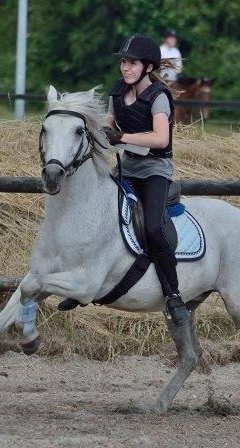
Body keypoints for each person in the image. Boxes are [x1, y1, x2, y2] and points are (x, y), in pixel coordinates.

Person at [60, 34, 189, 326]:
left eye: (131, 63)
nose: (125, 68)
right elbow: (110, 120)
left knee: (154, 229)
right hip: (127, 167)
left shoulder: (159, 96)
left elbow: (160, 138)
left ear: (147, 67)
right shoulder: (119, 90)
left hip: (154, 171)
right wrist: (102, 131)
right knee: (94, 213)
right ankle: (81, 286)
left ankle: (174, 296)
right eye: (123, 62)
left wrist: (123, 137)